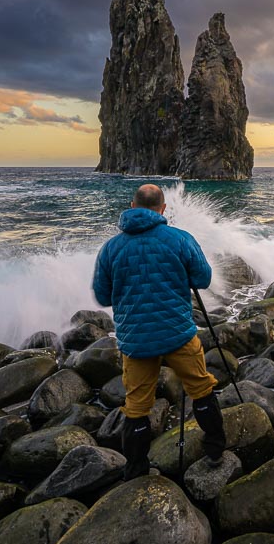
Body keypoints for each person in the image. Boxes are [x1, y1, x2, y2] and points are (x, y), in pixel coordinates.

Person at [93, 183, 226, 479]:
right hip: (178, 332)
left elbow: (102, 296)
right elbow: (203, 278)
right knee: (201, 389)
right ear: (163, 209)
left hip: (136, 340)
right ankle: (216, 448)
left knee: (137, 405)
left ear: (131, 206)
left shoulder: (111, 248)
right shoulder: (179, 239)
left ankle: (137, 469)